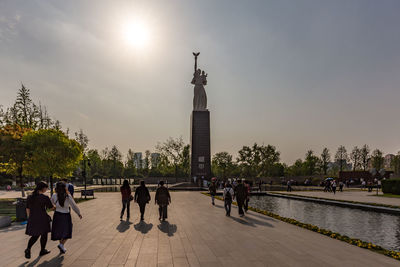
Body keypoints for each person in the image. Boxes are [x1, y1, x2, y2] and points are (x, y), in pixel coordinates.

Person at [25, 182, 54, 259]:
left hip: (33, 218)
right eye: (46, 188)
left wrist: (29, 218)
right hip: (43, 218)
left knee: (35, 235)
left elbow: (27, 208)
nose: (46, 189)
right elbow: (51, 208)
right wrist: (55, 206)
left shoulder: (30, 197)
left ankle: (28, 249)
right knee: (44, 234)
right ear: (43, 188)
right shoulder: (44, 197)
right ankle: (42, 250)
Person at [51, 182, 82, 254]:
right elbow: (73, 205)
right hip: (66, 215)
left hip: (57, 215)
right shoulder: (68, 196)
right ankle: (61, 244)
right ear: (65, 187)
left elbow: (51, 204)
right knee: (68, 230)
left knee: (59, 231)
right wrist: (78, 213)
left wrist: (55, 207)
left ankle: (61, 246)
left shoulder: (54, 195)